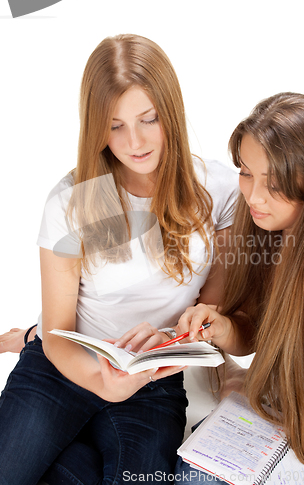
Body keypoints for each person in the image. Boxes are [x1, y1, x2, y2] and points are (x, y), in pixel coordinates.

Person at [0, 34, 238, 485]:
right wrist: (100, 379)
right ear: (96, 128)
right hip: (64, 365)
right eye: (115, 126)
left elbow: (210, 312)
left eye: (149, 119)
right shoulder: (71, 202)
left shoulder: (219, 191)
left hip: (152, 381)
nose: (135, 141)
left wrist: (170, 342)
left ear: (171, 112)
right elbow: (56, 333)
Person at [173, 92, 304, 483]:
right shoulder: (269, 227)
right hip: (298, 380)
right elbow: (258, 330)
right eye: (246, 172)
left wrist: (261, 406)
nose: (253, 196)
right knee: (192, 464)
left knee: (207, 475)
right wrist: (223, 326)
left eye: (274, 182)